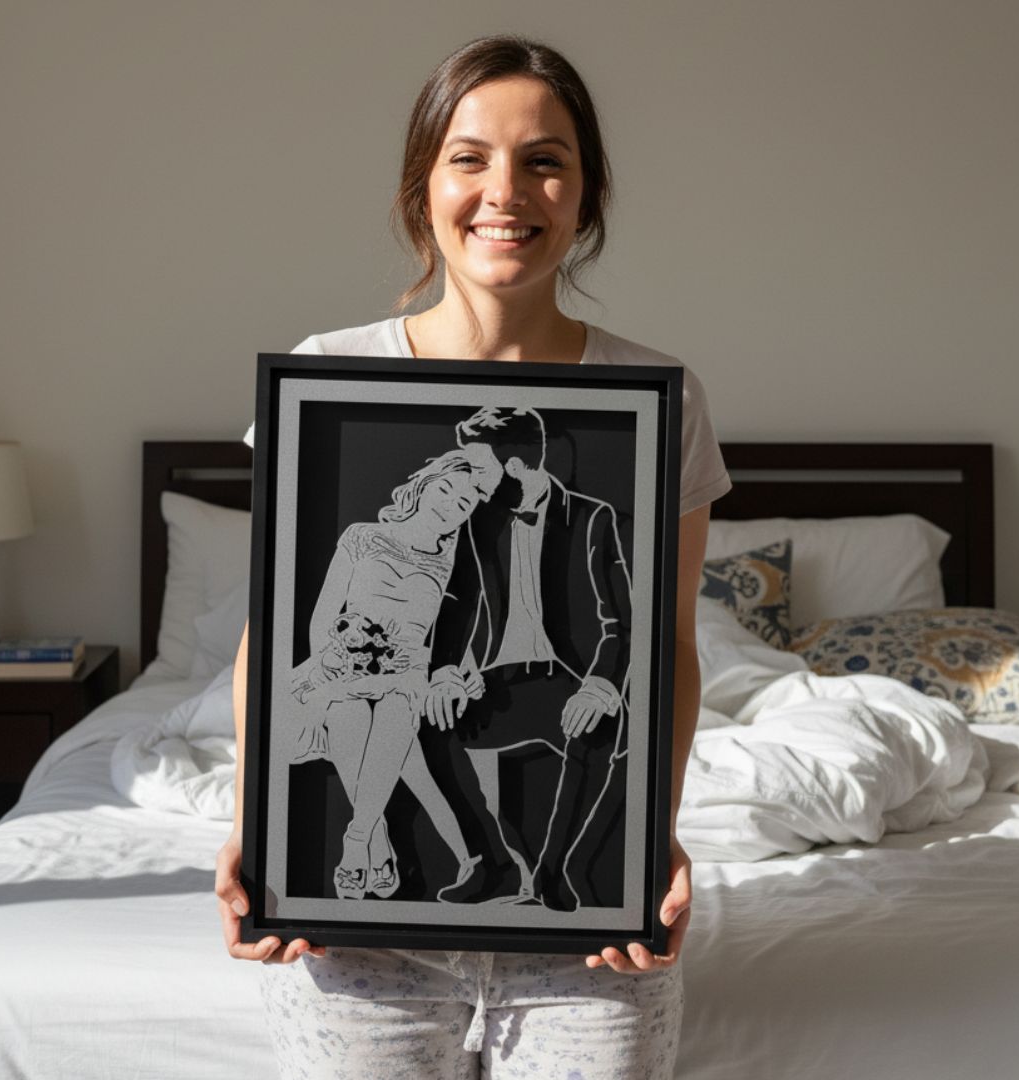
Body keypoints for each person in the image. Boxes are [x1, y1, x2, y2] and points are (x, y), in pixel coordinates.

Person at [217, 33, 732, 1078]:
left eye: (545, 161)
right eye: (470, 158)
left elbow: (667, 646)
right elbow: (271, 636)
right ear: (423, 188)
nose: (507, 191)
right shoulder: (328, 380)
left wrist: (652, 838)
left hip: (591, 945)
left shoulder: (661, 400)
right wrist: (259, 828)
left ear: (587, 195)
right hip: (357, 937)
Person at [419, 405, 633, 910]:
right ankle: (491, 865)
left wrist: (599, 686)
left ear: (515, 466)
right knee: (426, 722)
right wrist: (445, 671)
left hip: (570, 677)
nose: (472, 480)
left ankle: (554, 878)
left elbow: (619, 622)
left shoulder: (592, 518)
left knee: (604, 726)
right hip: (501, 681)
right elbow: (458, 602)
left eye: (479, 467)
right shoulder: (479, 521)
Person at [283, 450, 488, 901]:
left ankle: (357, 842)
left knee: (397, 708)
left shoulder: (452, 563)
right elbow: (323, 614)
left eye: (463, 503)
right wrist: (332, 668)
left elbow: (454, 633)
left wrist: (464, 671)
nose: (449, 504)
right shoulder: (362, 536)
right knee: (349, 713)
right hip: (342, 662)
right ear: (423, 485)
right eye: (444, 489)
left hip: (407, 673)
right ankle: (376, 844)